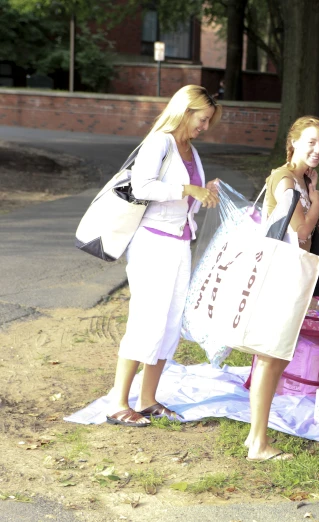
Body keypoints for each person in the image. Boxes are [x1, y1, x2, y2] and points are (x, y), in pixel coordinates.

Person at [106, 85, 223, 427]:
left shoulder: (191, 150)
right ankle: (117, 402)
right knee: (146, 321)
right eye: (202, 120)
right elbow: (141, 187)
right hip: (152, 244)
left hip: (178, 244)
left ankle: (147, 400)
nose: (204, 127)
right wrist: (186, 189)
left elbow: (185, 198)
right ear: (185, 111)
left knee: (169, 324)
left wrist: (205, 192)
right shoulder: (160, 141)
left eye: (208, 122)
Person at [245, 115, 319, 461]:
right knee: (269, 358)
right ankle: (258, 443)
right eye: (311, 142)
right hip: (278, 276)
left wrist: (310, 190)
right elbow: (302, 230)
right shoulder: (284, 179)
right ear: (292, 142)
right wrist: (317, 200)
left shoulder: (300, 179)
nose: (318, 149)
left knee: (276, 358)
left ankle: (255, 437)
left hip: (293, 277)